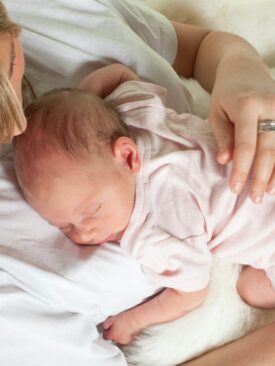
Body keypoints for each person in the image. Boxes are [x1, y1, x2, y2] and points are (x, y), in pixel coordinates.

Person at [0, 0, 275, 364]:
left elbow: (191, 290)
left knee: (252, 287)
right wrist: (86, 100)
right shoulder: (137, 110)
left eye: (9, 67)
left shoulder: (149, 231)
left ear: (128, 155)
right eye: (64, 226)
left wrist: (241, 67)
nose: (82, 234)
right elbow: (121, 75)